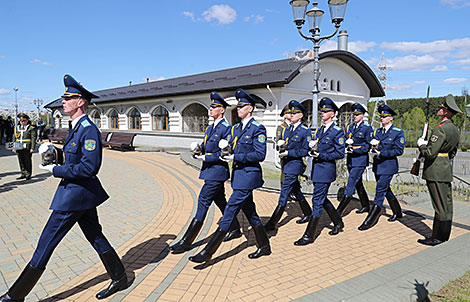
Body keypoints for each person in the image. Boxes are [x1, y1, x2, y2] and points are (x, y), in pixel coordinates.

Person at [0, 75, 127, 302]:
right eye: (64, 97)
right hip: (82, 195)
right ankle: (120, 277)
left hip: (74, 196)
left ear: (80, 102)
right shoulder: (76, 126)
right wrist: (55, 153)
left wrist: (55, 170)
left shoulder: (88, 129)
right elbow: (74, 157)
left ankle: (15, 296)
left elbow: (89, 167)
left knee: (46, 242)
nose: (64, 101)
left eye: (68, 98)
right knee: (96, 236)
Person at [189, 88, 271, 263]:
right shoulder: (235, 129)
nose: (239, 109)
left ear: (250, 108)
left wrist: (236, 157)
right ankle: (264, 246)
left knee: (229, 211)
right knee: (251, 212)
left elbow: (260, 154)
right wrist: (224, 153)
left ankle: (208, 251)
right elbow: (229, 149)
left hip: (248, 176)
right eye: (238, 106)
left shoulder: (258, 128)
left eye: (242, 106)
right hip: (238, 176)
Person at [169, 92, 242, 254]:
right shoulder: (211, 127)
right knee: (220, 201)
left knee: (203, 202)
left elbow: (224, 153)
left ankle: (186, 241)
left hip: (216, 172)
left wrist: (205, 157)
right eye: (211, 106)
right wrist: (198, 147)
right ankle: (235, 228)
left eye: (214, 107)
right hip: (210, 172)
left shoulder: (226, 129)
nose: (210, 109)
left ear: (222, 110)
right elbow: (207, 144)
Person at [294, 97, 345, 246]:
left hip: (326, 170)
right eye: (322, 110)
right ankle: (338, 221)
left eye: (326, 111)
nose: (322, 113)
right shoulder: (319, 130)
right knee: (322, 198)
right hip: (317, 169)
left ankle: (309, 235)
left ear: (333, 114)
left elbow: (340, 153)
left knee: (317, 200)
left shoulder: (337, 131)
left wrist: (321, 155)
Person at [417, 94, 461, 246]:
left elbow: (429, 153)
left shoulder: (440, 129)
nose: (439, 109)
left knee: (439, 207)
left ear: (447, 112)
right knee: (446, 205)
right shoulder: (454, 129)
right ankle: (444, 235)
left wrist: (421, 145)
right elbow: (453, 152)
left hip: (435, 172)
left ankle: (437, 237)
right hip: (444, 170)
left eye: (442, 108)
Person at [264, 100, 312, 232]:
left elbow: (305, 151)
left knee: (284, 193)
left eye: (295, 113)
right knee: (296, 190)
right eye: (290, 112)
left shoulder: (305, 131)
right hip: (286, 164)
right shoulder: (287, 129)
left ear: (301, 115)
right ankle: (308, 213)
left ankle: (272, 223)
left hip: (294, 165)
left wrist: (289, 152)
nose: (291, 115)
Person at [358, 104, 405, 231]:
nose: (382, 118)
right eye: (381, 116)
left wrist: (382, 153)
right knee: (385, 189)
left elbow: (399, 150)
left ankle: (370, 220)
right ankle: (398, 212)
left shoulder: (397, 132)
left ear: (391, 118)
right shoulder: (377, 132)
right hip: (378, 165)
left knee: (379, 191)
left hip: (388, 166)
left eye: (384, 116)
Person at [336, 103, 373, 215]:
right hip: (351, 159)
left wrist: (355, 150)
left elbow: (367, 146)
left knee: (351, 183)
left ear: (362, 115)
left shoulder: (367, 128)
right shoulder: (349, 127)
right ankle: (366, 205)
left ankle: (338, 212)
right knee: (358, 183)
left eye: (357, 114)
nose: (355, 116)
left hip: (360, 160)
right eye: (354, 114)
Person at [12, 113, 36, 180]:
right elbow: (14, 138)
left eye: (23, 121)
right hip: (18, 146)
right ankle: (23, 173)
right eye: (21, 121)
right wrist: (14, 147)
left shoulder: (31, 128)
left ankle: (28, 174)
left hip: (27, 147)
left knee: (27, 160)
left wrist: (32, 148)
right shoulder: (17, 128)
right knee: (21, 160)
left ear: (27, 120)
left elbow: (33, 138)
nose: (22, 122)